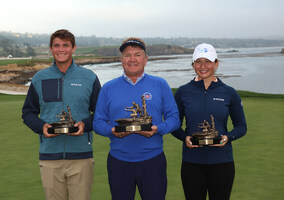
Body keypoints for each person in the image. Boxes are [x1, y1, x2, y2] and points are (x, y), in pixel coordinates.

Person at [93, 37, 180, 200]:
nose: (132, 59)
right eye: (127, 55)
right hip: (119, 162)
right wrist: (112, 131)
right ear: (121, 60)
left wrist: (158, 129)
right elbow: (97, 122)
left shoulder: (161, 84)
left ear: (145, 59)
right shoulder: (108, 88)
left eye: (137, 54)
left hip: (153, 161)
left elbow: (174, 118)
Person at [22, 29, 101, 200]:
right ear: (51, 49)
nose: (61, 49)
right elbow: (28, 112)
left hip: (81, 156)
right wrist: (40, 127)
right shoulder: (39, 78)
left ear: (74, 48)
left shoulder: (89, 77)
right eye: (56, 45)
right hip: (50, 157)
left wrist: (85, 125)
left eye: (66, 45)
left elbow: (101, 113)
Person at [171, 43, 247, 200]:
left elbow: (241, 126)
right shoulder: (183, 92)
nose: (203, 66)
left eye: (208, 61)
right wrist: (184, 138)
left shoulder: (229, 92)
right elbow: (174, 125)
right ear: (193, 64)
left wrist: (227, 137)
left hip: (222, 163)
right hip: (192, 163)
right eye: (198, 61)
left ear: (216, 63)